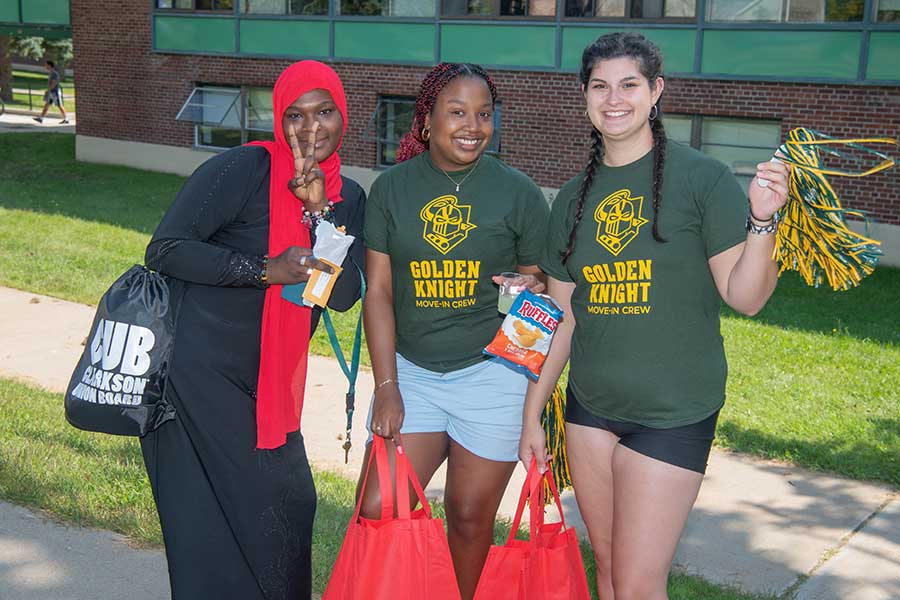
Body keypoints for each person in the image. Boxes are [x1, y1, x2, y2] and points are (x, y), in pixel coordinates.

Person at [519, 32, 790, 599]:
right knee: (612, 572)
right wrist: (533, 412)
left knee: (641, 583)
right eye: (600, 86)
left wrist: (762, 222)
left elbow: (746, 296)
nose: (613, 99)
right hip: (590, 412)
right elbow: (563, 317)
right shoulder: (571, 199)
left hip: (673, 414)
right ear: (585, 97)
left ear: (656, 91)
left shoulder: (702, 179)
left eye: (629, 84)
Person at [140, 60, 365, 600]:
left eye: (325, 111)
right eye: (296, 115)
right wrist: (264, 269)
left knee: (284, 509)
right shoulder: (242, 170)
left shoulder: (348, 198)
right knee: (208, 530)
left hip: (268, 383)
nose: (312, 128)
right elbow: (165, 250)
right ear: (278, 120)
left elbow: (344, 296)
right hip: (197, 375)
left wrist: (317, 215)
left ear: (344, 114)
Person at [358, 62, 549, 599]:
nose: (473, 125)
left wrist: (528, 285)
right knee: (378, 506)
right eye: (458, 111)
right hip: (415, 375)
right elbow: (379, 292)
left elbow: (540, 282)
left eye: (484, 114)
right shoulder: (392, 189)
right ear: (426, 121)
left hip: (493, 375)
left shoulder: (518, 192)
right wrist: (388, 386)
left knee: (468, 517)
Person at [33, 60, 68, 124]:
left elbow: (54, 83)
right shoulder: (51, 73)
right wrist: (49, 91)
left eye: (46, 65)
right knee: (46, 105)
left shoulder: (54, 73)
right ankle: (41, 118)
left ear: (49, 65)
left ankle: (66, 119)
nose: (45, 66)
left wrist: (49, 90)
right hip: (51, 92)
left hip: (55, 92)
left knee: (60, 105)